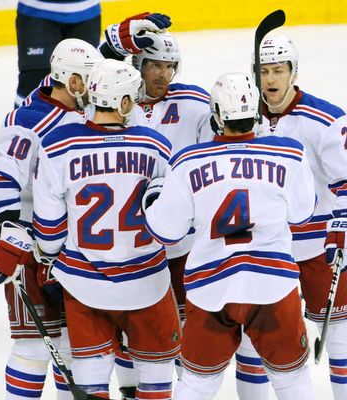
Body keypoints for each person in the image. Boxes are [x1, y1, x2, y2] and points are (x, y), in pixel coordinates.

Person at [143, 72, 317, 399]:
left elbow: (166, 230)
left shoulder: (187, 161)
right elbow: (302, 213)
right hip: (272, 286)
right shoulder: (290, 154)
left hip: (210, 287)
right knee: (292, 379)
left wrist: (152, 198)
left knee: (196, 382)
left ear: (216, 115)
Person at [32, 58, 181, 400]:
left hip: (85, 286)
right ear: (125, 103)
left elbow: (50, 234)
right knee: (157, 384)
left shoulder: (57, 145)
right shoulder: (157, 145)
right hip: (148, 284)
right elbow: (172, 225)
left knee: (90, 385)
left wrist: (49, 255)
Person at [0, 38, 104, 400]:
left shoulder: (82, 107)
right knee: (32, 349)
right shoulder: (29, 120)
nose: (94, 87)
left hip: (73, 248)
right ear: (71, 81)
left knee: (72, 347)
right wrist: (18, 229)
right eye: (87, 79)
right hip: (33, 250)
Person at [101, 29, 215, 399]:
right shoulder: (114, 100)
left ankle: (183, 388)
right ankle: (130, 389)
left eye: (169, 66)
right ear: (137, 64)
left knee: (183, 321)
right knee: (126, 325)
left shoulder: (197, 103)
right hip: (128, 242)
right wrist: (116, 39)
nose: (162, 74)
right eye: (153, 65)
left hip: (181, 242)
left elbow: (218, 154)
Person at [234, 35, 347, 400]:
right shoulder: (239, 118)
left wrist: (343, 227)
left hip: (317, 248)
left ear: (293, 72)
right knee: (254, 345)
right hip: (262, 250)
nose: (271, 79)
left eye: (278, 70)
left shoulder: (325, 119)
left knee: (342, 339)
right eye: (264, 71)